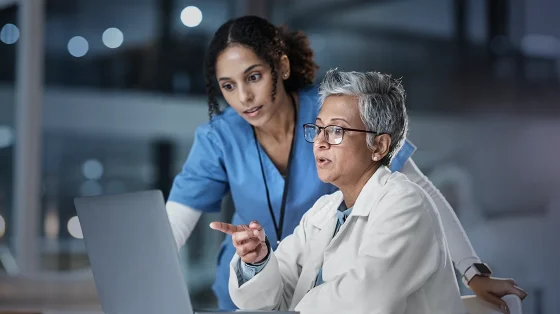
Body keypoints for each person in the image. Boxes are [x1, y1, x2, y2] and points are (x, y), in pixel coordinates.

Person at [166, 15, 527, 311]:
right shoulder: (226, 140)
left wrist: (471, 270)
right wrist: (256, 259)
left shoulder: (334, 112)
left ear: (282, 67)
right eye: (228, 86)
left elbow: (421, 193)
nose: (243, 97)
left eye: (254, 77)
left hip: (327, 293)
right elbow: (170, 231)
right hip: (267, 287)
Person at [211, 69, 467, 314]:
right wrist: (258, 261)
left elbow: (366, 301)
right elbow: (272, 299)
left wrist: (297, 305)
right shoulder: (324, 211)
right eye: (319, 128)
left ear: (378, 145)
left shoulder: (405, 204)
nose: (320, 142)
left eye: (336, 130)